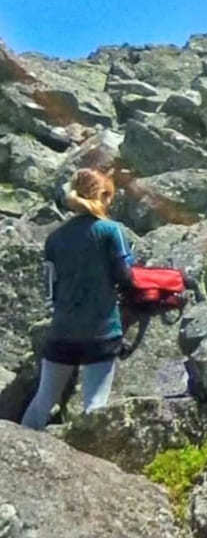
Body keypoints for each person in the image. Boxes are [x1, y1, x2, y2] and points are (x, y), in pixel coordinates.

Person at [21, 167, 134, 430]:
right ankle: (90, 464)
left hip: (62, 331)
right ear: (104, 196)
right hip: (102, 332)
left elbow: (50, 288)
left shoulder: (54, 237)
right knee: (95, 405)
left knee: (43, 401)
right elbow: (127, 278)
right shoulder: (110, 231)